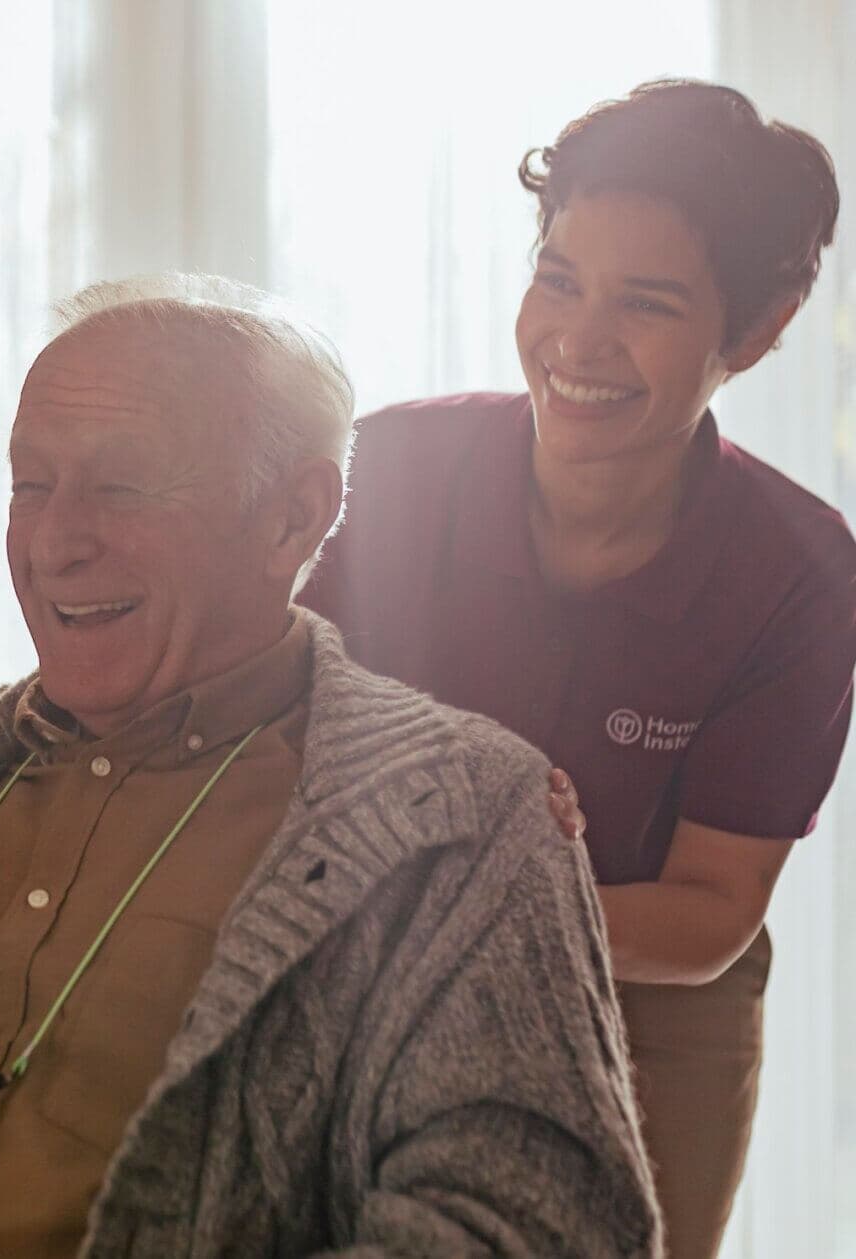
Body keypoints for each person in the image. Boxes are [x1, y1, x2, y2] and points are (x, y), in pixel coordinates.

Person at [0, 274, 661, 1257]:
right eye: (31, 484)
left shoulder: (464, 816)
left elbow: (530, 1228)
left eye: (120, 486)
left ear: (293, 517)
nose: (55, 541)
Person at [302, 80, 856, 1259]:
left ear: (756, 329)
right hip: (375, 958)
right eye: (558, 280)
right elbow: (273, 734)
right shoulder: (396, 467)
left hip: (643, 1003)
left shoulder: (798, 576)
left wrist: (484, 894)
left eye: (645, 305)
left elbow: (708, 912)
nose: (577, 343)